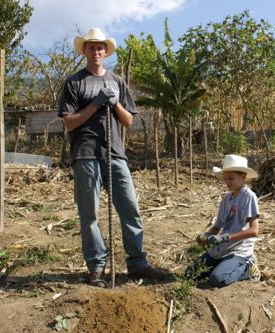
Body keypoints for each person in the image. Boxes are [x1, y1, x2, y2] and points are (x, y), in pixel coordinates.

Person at [58, 27, 167, 287]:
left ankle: (137, 264)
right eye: (91, 47)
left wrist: (115, 103)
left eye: (100, 47)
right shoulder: (74, 83)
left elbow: (128, 121)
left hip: (115, 154)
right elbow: (69, 123)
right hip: (86, 155)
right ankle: (96, 268)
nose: (96, 51)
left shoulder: (117, 81)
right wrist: (95, 103)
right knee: (90, 214)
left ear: (106, 52)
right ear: (84, 50)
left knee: (130, 209)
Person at [185, 154, 261, 287]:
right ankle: (224, 265)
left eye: (231, 178)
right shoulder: (226, 199)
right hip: (221, 248)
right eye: (225, 179)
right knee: (190, 274)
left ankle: (247, 268)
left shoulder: (248, 197)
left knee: (217, 279)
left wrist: (225, 238)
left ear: (243, 176)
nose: (227, 182)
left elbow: (254, 231)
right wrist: (207, 235)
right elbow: (217, 227)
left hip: (239, 250)